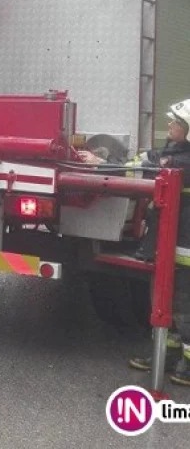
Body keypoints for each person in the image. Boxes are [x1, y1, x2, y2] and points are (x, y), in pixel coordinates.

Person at [82, 100, 190, 386]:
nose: (170, 125)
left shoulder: (183, 162)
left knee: (183, 305)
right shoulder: (175, 152)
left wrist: (101, 164)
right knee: (167, 301)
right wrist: (104, 161)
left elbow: (143, 171)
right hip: (171, 244)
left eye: (176, 122)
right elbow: (143, 161)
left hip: (184, 248)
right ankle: (168, 355)